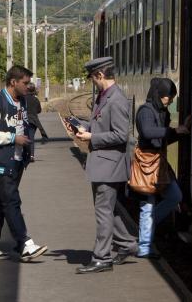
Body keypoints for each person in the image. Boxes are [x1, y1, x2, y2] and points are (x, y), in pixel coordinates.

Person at [0, 65, 47, 262]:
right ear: (13, 82)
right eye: (25, 83)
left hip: (16, 159)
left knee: (0, 201)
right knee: (11, 201)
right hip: (1, 160)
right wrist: (12, 138)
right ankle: (24, 243)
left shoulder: (23, 101)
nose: (28, 86)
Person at [74, 57, 138, 274]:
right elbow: (99, 124)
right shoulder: (105, 97)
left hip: (108, 165)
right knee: (110, 210)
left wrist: (92, 137)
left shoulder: (116, 100)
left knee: (103, 212)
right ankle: (128, 243)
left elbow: (121, 135)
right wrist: (81, 127)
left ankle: (102, 257)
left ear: (100, 75)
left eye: (93, 78)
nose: (92, 82)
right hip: (103, 164)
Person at [134, 78, 190, 258]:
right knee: (147, 204)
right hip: (147, 162)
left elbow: (162, 138)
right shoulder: (145, 111)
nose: (170, 101)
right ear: (159, 95)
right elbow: (148, 133)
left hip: (160, 162)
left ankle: (147, 227)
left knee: (175, 196)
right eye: (168, 98)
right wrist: (174, 131)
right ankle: (144, 247)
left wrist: (182, 132)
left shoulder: (162, 112)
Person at [25, 82, 49, 161]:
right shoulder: (36, 99)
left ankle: (25, 154)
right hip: (34, 121)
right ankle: (31, 155)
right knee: (31, 137)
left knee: (24, 137)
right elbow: (39, 110)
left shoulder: (22, 98)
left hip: (24, 120)